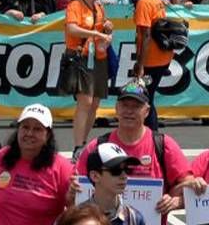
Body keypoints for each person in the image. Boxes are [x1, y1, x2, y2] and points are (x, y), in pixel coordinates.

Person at [75, 81, 192, 221]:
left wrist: (176, 201)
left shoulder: (163, 145)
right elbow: (76, 186)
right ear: (117, 108)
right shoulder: (97, 147)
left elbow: (189, 186)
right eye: (125, 105)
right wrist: (71, 190)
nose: (129, 111)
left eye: (136, 106)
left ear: (147, 111)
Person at [0, 104, 75, 225]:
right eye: (25, 127)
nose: (29, 133)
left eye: (37, 129)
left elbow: (76, 210)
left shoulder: (63, 168)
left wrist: (72, 200)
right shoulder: (3, 156)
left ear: (48, 135)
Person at [65, 0, 113, 153]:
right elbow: (72, 29)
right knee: (85, 101)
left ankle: (83, 142)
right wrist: (95, 34)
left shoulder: (99, 7)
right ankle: (78, 146)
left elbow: (102, 25)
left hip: (98, 57)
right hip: (81, 57)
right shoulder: (75, 6)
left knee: (95, 103)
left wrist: (107, 27)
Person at [125, 0, 173, 130]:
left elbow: (145, 35)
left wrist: (140, 64)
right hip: (162, 57)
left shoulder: (144, 3)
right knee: (148, 97)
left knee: (146, 99)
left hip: (151, 60)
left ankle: (153, 137)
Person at [83, 143, 148, 225]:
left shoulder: (134, 219)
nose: (124, 176)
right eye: (115, 170)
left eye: (127, 169)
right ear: (95, 176)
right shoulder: (77, 219)